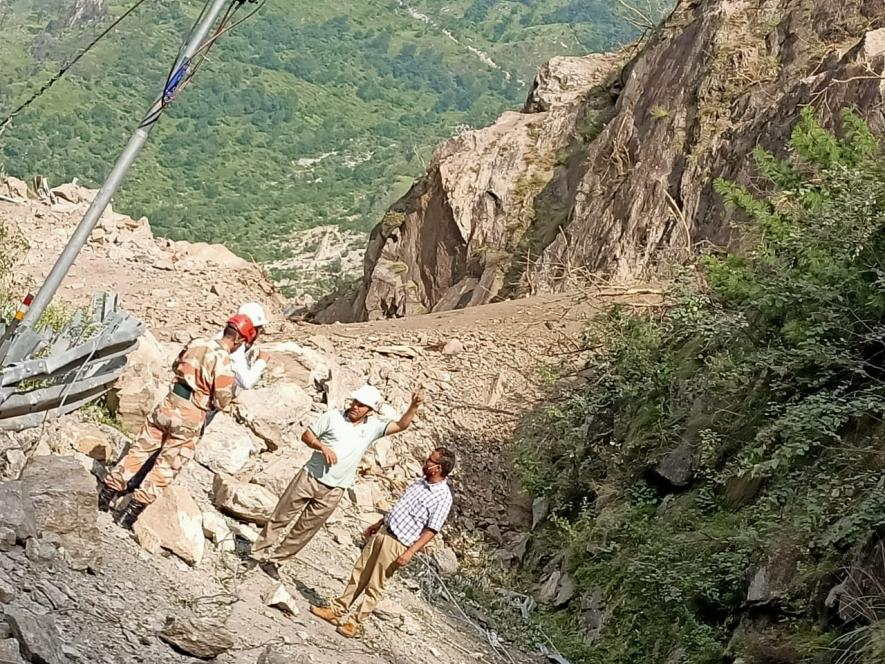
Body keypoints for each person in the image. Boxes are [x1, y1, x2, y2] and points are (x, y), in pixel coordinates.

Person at [248, 384, 426, 578]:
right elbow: (307, 436)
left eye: (361, 405)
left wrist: (414, 406)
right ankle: (256, 553)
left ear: (370, 411)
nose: (355, 407)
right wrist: (322, 446)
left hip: (335, 489)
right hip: (310, 477)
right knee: (281, 516)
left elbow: (401, 425)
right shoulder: (332, 417)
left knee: (305, 529)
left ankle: (276, 561)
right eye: (355, 402)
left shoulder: (372, 428)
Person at [98, 314, 257, 528]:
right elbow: (222, 399)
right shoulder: (224, 362)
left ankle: (105, 494)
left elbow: (176, 365)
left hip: (170, 402)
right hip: (192, 414)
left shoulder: (198, 342)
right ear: (239, 341)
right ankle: (129, 515)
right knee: (166, 465)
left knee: (139, 450)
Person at [310, 447, 456, 638]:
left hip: (398, 543)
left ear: (438, 468)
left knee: (375, 584)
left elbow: (432, 530)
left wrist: (410, 552)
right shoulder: (420, 483)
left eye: (430, 460)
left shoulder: (443, 497)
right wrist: (378, 523)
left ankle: (354, 623)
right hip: (383, 532)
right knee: (360, 572)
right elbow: (400, 507)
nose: (425, 461)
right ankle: (337, 610)